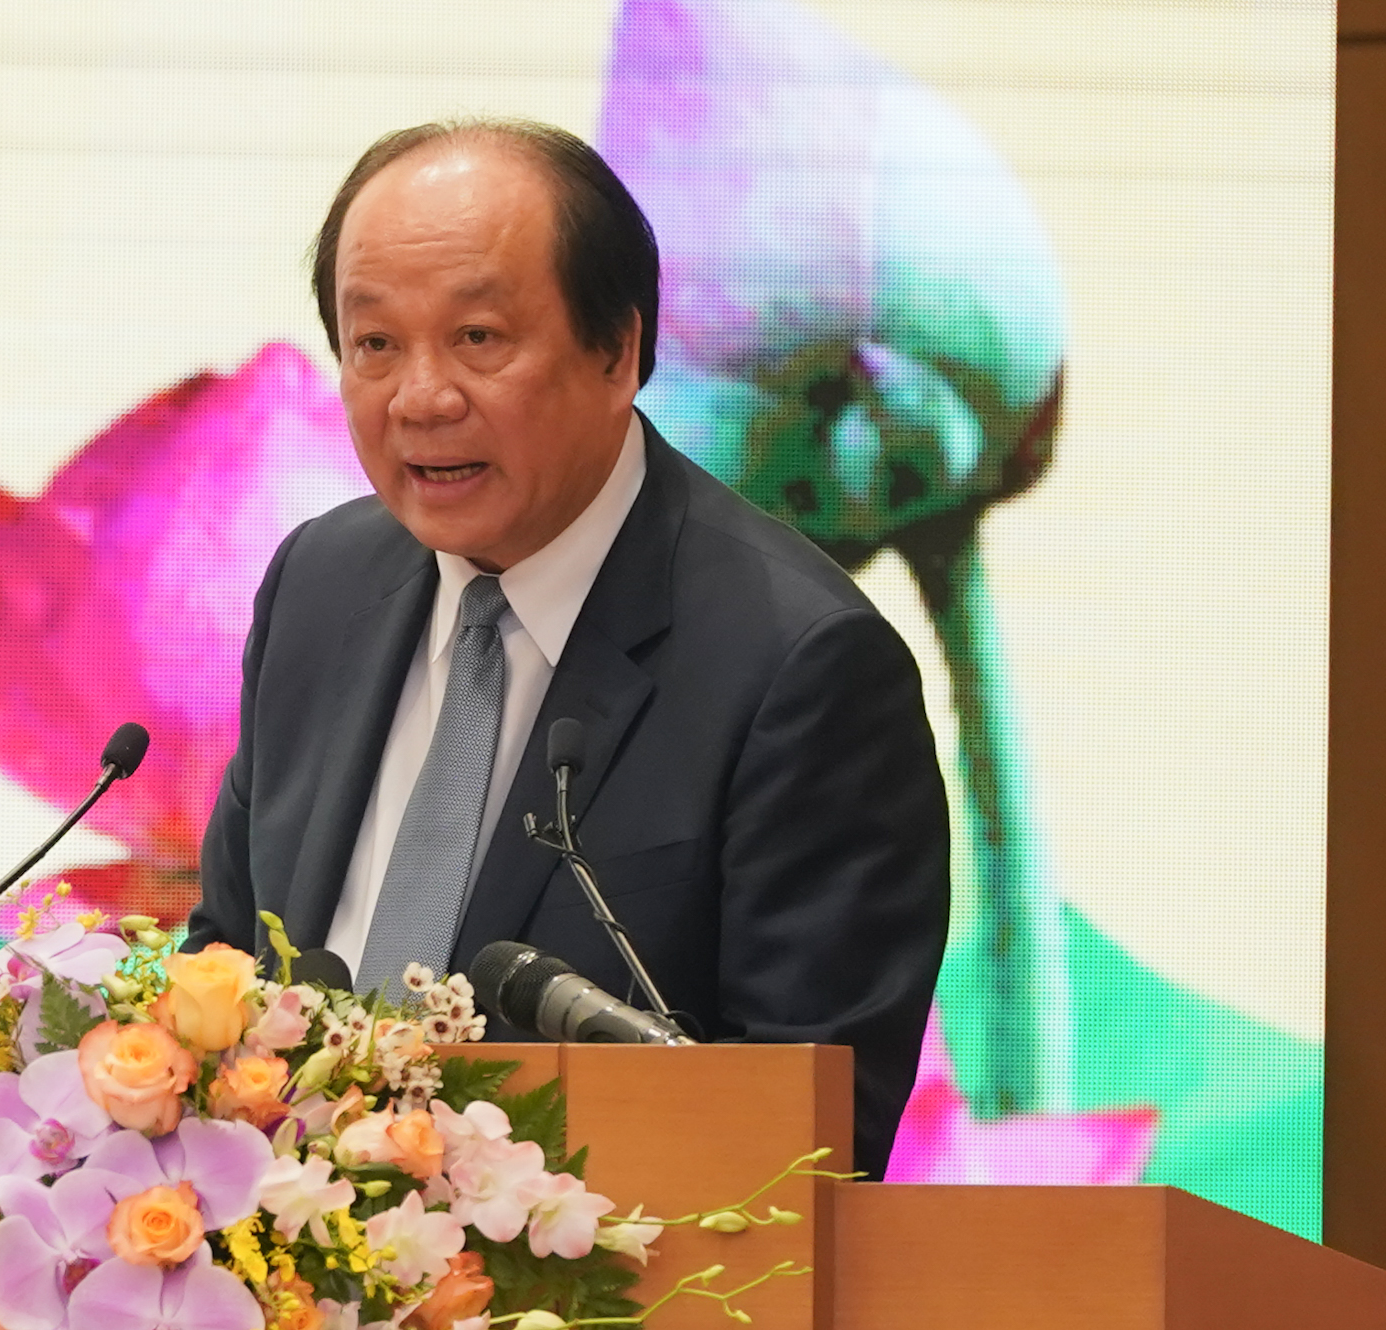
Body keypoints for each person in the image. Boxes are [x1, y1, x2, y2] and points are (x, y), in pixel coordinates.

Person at [185, 118, 948, 1179]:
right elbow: (225, 954)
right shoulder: (320, 585)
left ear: (617, 352)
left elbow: (806, 1146)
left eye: (478, 338)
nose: (421, 398)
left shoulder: (799, 668)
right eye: (375, 345)